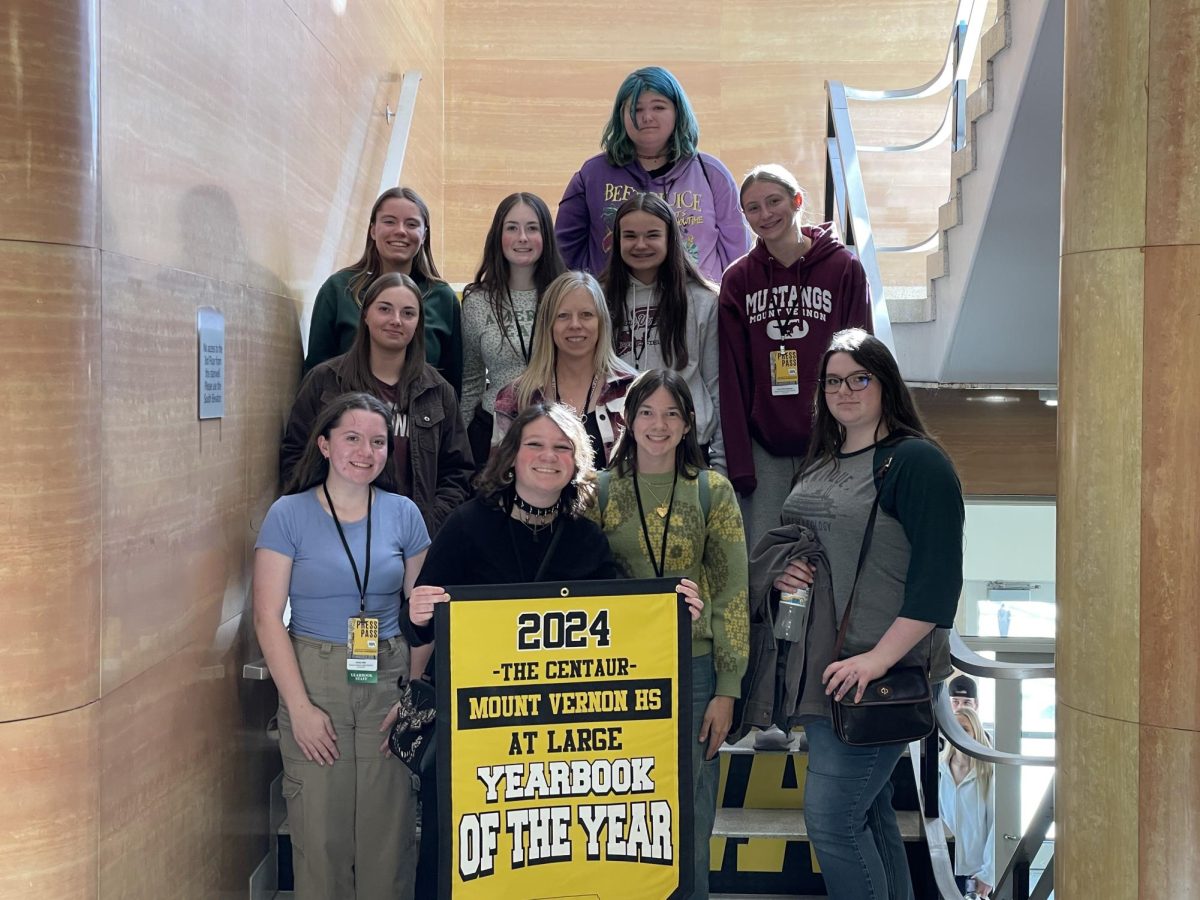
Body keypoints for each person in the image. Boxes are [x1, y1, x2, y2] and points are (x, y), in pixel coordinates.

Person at [398, 402, 706, 896]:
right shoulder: (467, 524)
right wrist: (414, 612)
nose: (549, 456)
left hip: (555, 750)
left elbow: (627, 623)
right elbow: (420, 628)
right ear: (512, 456)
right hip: (476, 742)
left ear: (577, 461)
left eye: (563, 447)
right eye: (535, 444)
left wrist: (674, 610)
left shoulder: (586, 538)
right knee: (454, 859)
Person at [769, 328, 964, 900]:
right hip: (820, 667)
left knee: (831, 821)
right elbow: (805, 543)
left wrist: (875, 661)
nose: (845, 391)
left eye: (860, 378)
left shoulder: (915, 462)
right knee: (870, 817)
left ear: (886, 385)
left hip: (872, 673)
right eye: (833, 381)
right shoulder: (825, 459)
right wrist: (788, 572)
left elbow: (938, 584)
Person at [253, 392, 431, 900]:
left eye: (378, 441)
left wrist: (413, 692)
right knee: (320, 834)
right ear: (325, 444)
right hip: (314, 674)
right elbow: (267, 618)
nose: (366, 451)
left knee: (389, 834)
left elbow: (425, 616)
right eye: (352, 438)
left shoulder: (404, 514)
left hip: (389, 675)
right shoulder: (288, 514)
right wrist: (300, 708)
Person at [589, 369, 748, 899]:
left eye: (672, 414)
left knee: (690, 811)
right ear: (628, 421)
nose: (659, 424)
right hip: (615, 674)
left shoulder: (712, 490)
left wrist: (727, 689)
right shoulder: (598, 491)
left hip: (694, 670)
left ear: (688, 426)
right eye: (647, 413)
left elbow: (731, 593)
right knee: (619, 811)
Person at [718, 164, 873, 547]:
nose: (765, 215)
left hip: (830, 443)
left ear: (797, 201)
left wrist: (861, 444)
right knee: (763, 559)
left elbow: (865, 364)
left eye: (774, 201)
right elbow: (732, 376)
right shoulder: (738, 280)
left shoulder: (843, 268)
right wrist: (740, 466)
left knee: (828, 556)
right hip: (764, 447)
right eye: (752, 208)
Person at [282, 272, 474, 535]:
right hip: (334, 532)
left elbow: (458, 473)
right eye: (385, 309)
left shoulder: (439, 391)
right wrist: (321, 520)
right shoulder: (325, 381)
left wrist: (424, 524)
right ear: (366, 315)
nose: (396, 320)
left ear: (418, 324)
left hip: (412, 539)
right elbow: (295, 456)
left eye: (408, 313)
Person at [555, 66, 750, 283]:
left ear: (678, 111)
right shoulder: (592, 175)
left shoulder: (712, 174)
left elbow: (737, 253)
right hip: (613, 308)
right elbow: (565, 250)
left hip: (695, 309)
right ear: (621, 115)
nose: (647, 117)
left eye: (658, 107)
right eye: (636, 109)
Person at [603, 193, 725, 472]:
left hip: (688, 447)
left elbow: (715, 386)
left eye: (652, 235)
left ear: (670, 238)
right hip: (619, 446)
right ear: (617, 240)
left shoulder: (704, 300)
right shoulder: (600, 299)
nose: (641, 244)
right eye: (630, 235)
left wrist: (721, 461)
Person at [304, 186, 463, 394]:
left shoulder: (443, 298)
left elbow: (452, 384)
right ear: (372, 230)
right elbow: (315, 376)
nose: (400, 230)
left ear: (424, 234)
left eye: (412, 224)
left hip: (419, 423)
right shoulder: (338, 289)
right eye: (389, 221)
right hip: (347, 420)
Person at [460, 192, 566, 466]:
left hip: (558, 429)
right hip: (494, 432)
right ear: (498, 236)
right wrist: (458, 447)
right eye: (512, 228)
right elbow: (471, 381)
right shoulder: (477, 302)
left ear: (546, 236)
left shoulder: (565, 294)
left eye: (532, 228)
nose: (522, 238)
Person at [493, 271, 637, 467]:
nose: (575, 325)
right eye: (563, 316)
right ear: (548, 325)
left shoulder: (633, 391)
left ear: (602, 322)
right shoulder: (516, 398)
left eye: (586, 315)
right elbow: (500, 478)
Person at [939, 706, 996, 898]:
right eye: (953, 729)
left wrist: (988, 873)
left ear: (975, 733)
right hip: (945, 867)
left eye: (964, 729)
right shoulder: (939, 769)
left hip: (976, 871)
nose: (957, 735)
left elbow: (996, 825)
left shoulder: (989, 773)